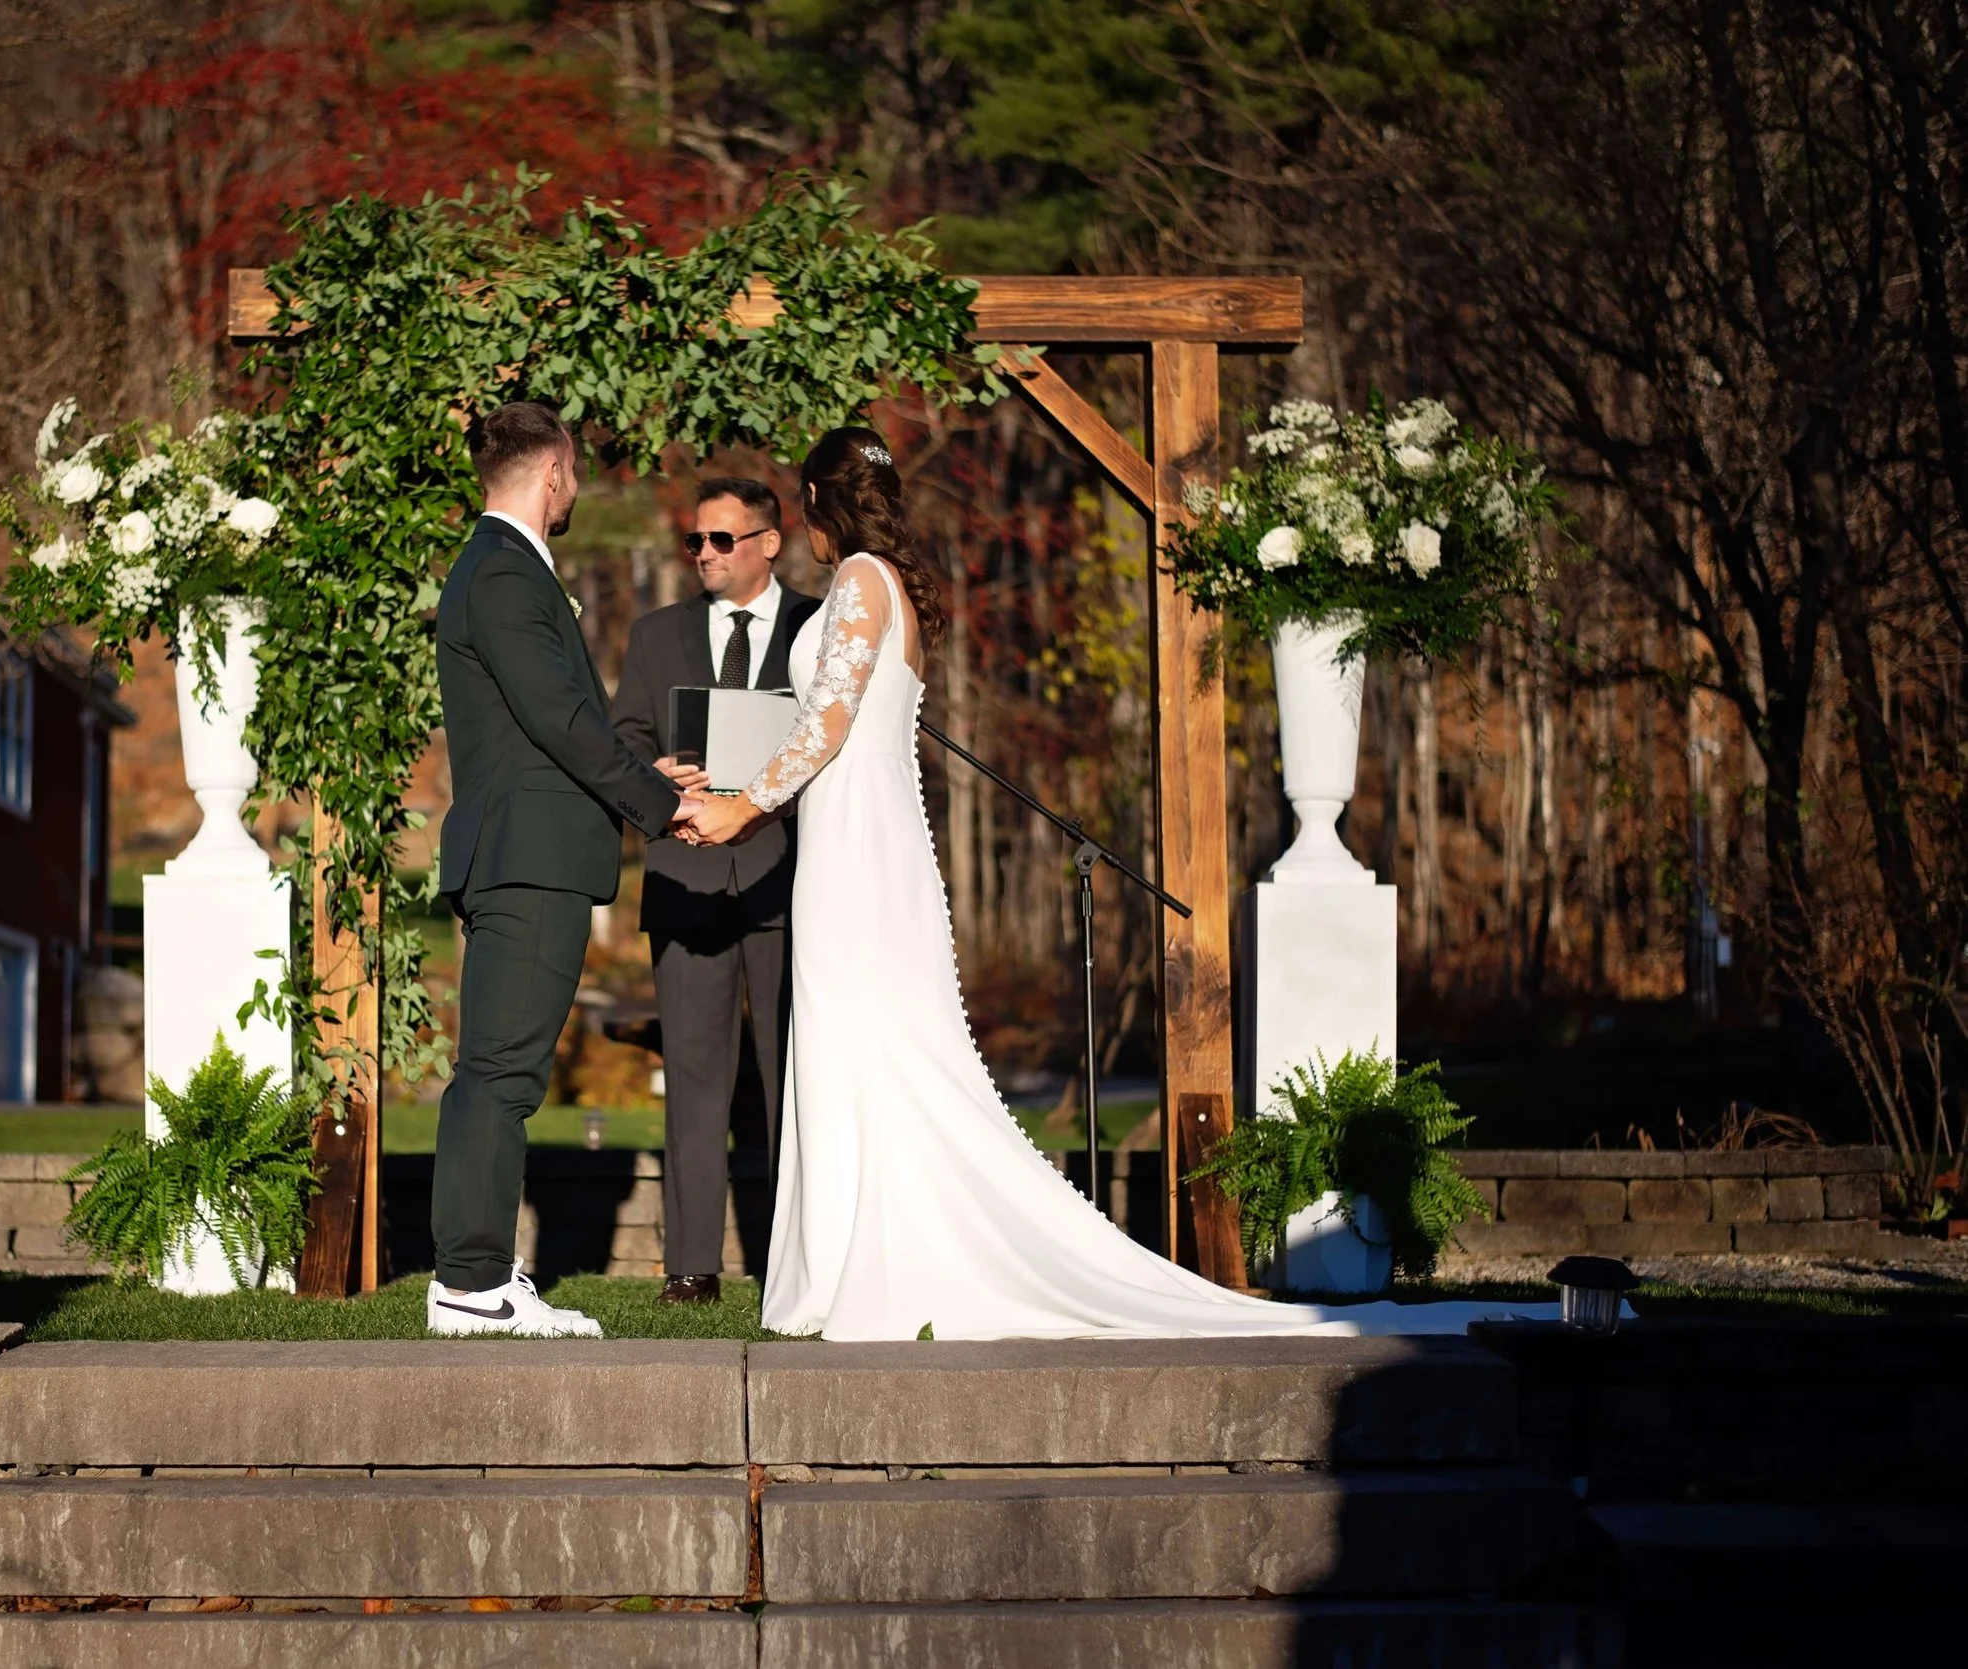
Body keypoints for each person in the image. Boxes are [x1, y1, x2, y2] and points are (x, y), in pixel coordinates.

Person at [683, 427, 1558, 1342]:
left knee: (869, 1042)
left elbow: (827, 721)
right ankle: (848, 1259)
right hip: (856, 840)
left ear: (820, 506)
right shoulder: (887, 584)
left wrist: (741, 809)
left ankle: (866, 1266)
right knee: (861, 1044)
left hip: (859, 857)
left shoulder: (862, 581)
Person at [428, 402, 700, 1337]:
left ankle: (475, 1277)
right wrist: (662, 805)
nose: (576, 489)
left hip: (528, 848)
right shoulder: (503, 573)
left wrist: (640, 777)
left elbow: (544, 727)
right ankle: (472, 1283)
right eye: (574, 473)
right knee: (500, 1072)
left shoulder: (499, 568)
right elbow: (562, 720)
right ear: (552, 474)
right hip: (527, 857)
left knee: (500, 1069)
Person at [610, 479, 821, 1304]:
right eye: (696, 541)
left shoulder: (817, 628)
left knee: (788, 1074)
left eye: (722, 540)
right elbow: (623, 740)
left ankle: (792, 1261)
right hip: (686, 875)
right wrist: (654, 778)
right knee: (694, 1075)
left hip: (786, 877)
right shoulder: (656, 634)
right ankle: (691, 1267)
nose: (703, 553)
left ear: (771, 542)